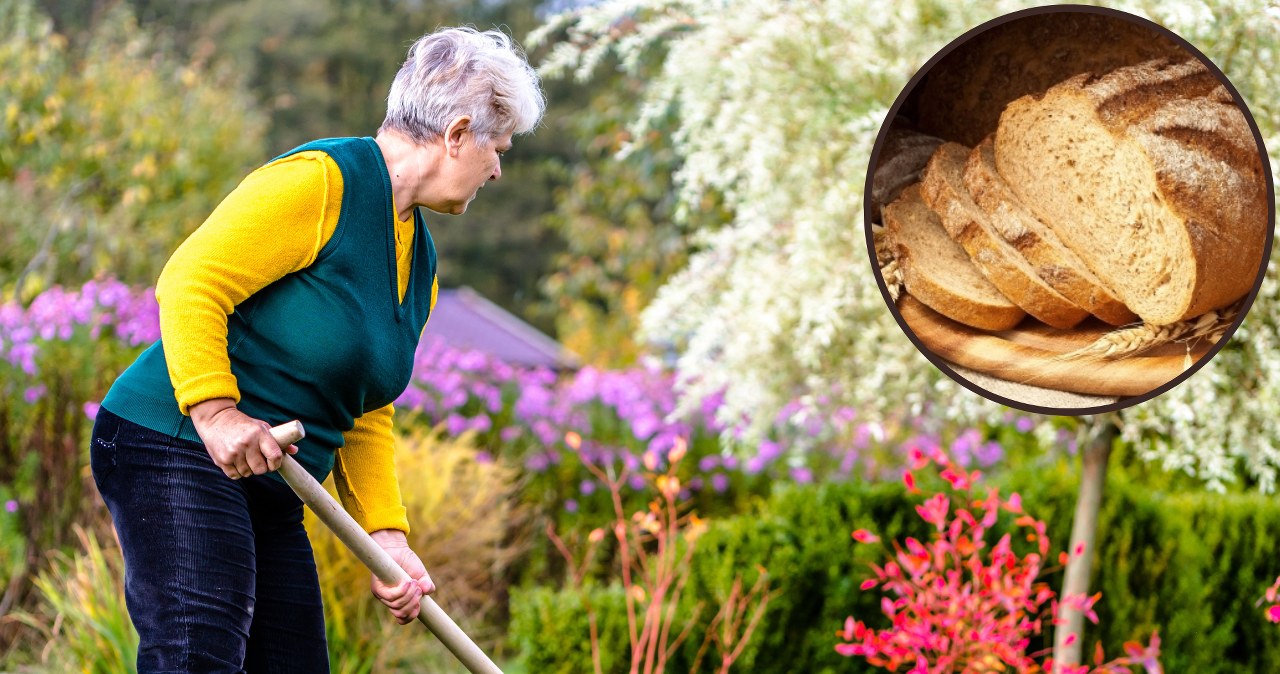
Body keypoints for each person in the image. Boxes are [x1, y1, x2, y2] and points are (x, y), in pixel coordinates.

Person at [90, 27, 545, 672]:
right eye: (498, 148)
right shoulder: (322, 183)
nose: (498, 168)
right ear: (457, 134)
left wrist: (385, 536)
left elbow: (364, 404)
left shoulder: (419, 260)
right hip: (173, 443)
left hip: (270, 476)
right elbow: (191, 280)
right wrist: (216, 412)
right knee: (199, 652)